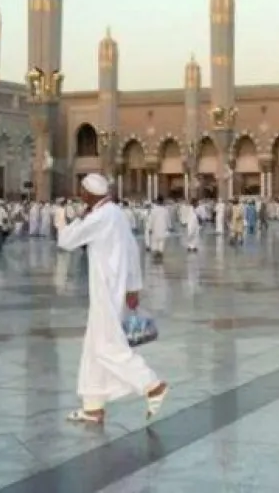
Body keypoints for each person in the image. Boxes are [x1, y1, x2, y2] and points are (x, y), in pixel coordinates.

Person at [56, 173, 168, 425]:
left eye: (82, 191)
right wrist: (133, 286)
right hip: (115, 288)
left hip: (106, 290)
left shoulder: (99, 216)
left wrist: (68, 219)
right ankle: (93, 407)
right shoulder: (115, 213)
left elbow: (66, 241)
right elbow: (131, 249)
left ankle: (152, 385)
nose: (80, 195)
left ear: (90, 193)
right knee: (94, 346)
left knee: (107, 345)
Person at [147, 195, 171, 262]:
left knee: (155, 242)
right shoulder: (165, 210)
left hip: (155, 229)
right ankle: (160, 254)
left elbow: (151, 220)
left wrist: (150, 228)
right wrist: (169, 227)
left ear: (157, 201)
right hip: (163, 229)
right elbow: (168, 220)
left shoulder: (153, 210)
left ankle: (156, 255)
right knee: (161, 242)